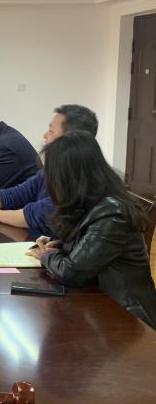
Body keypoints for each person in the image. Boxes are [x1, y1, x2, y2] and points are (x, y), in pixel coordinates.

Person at [26, 131, 156, 328]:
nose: (49, 182)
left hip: (128, 320)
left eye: (53, 175)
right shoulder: (90, 201)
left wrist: (46, 255)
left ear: (71, 177)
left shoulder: (113, 212)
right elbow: (87, 251)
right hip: (100, 307)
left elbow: (71, 272)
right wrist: (60, 245)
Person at [0, 104, 98, 237]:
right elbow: (18, 193)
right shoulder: (52, 170)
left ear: (72, 139)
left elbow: (43, 212)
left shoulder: (82, 177)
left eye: (51, 131)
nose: (45, 135)